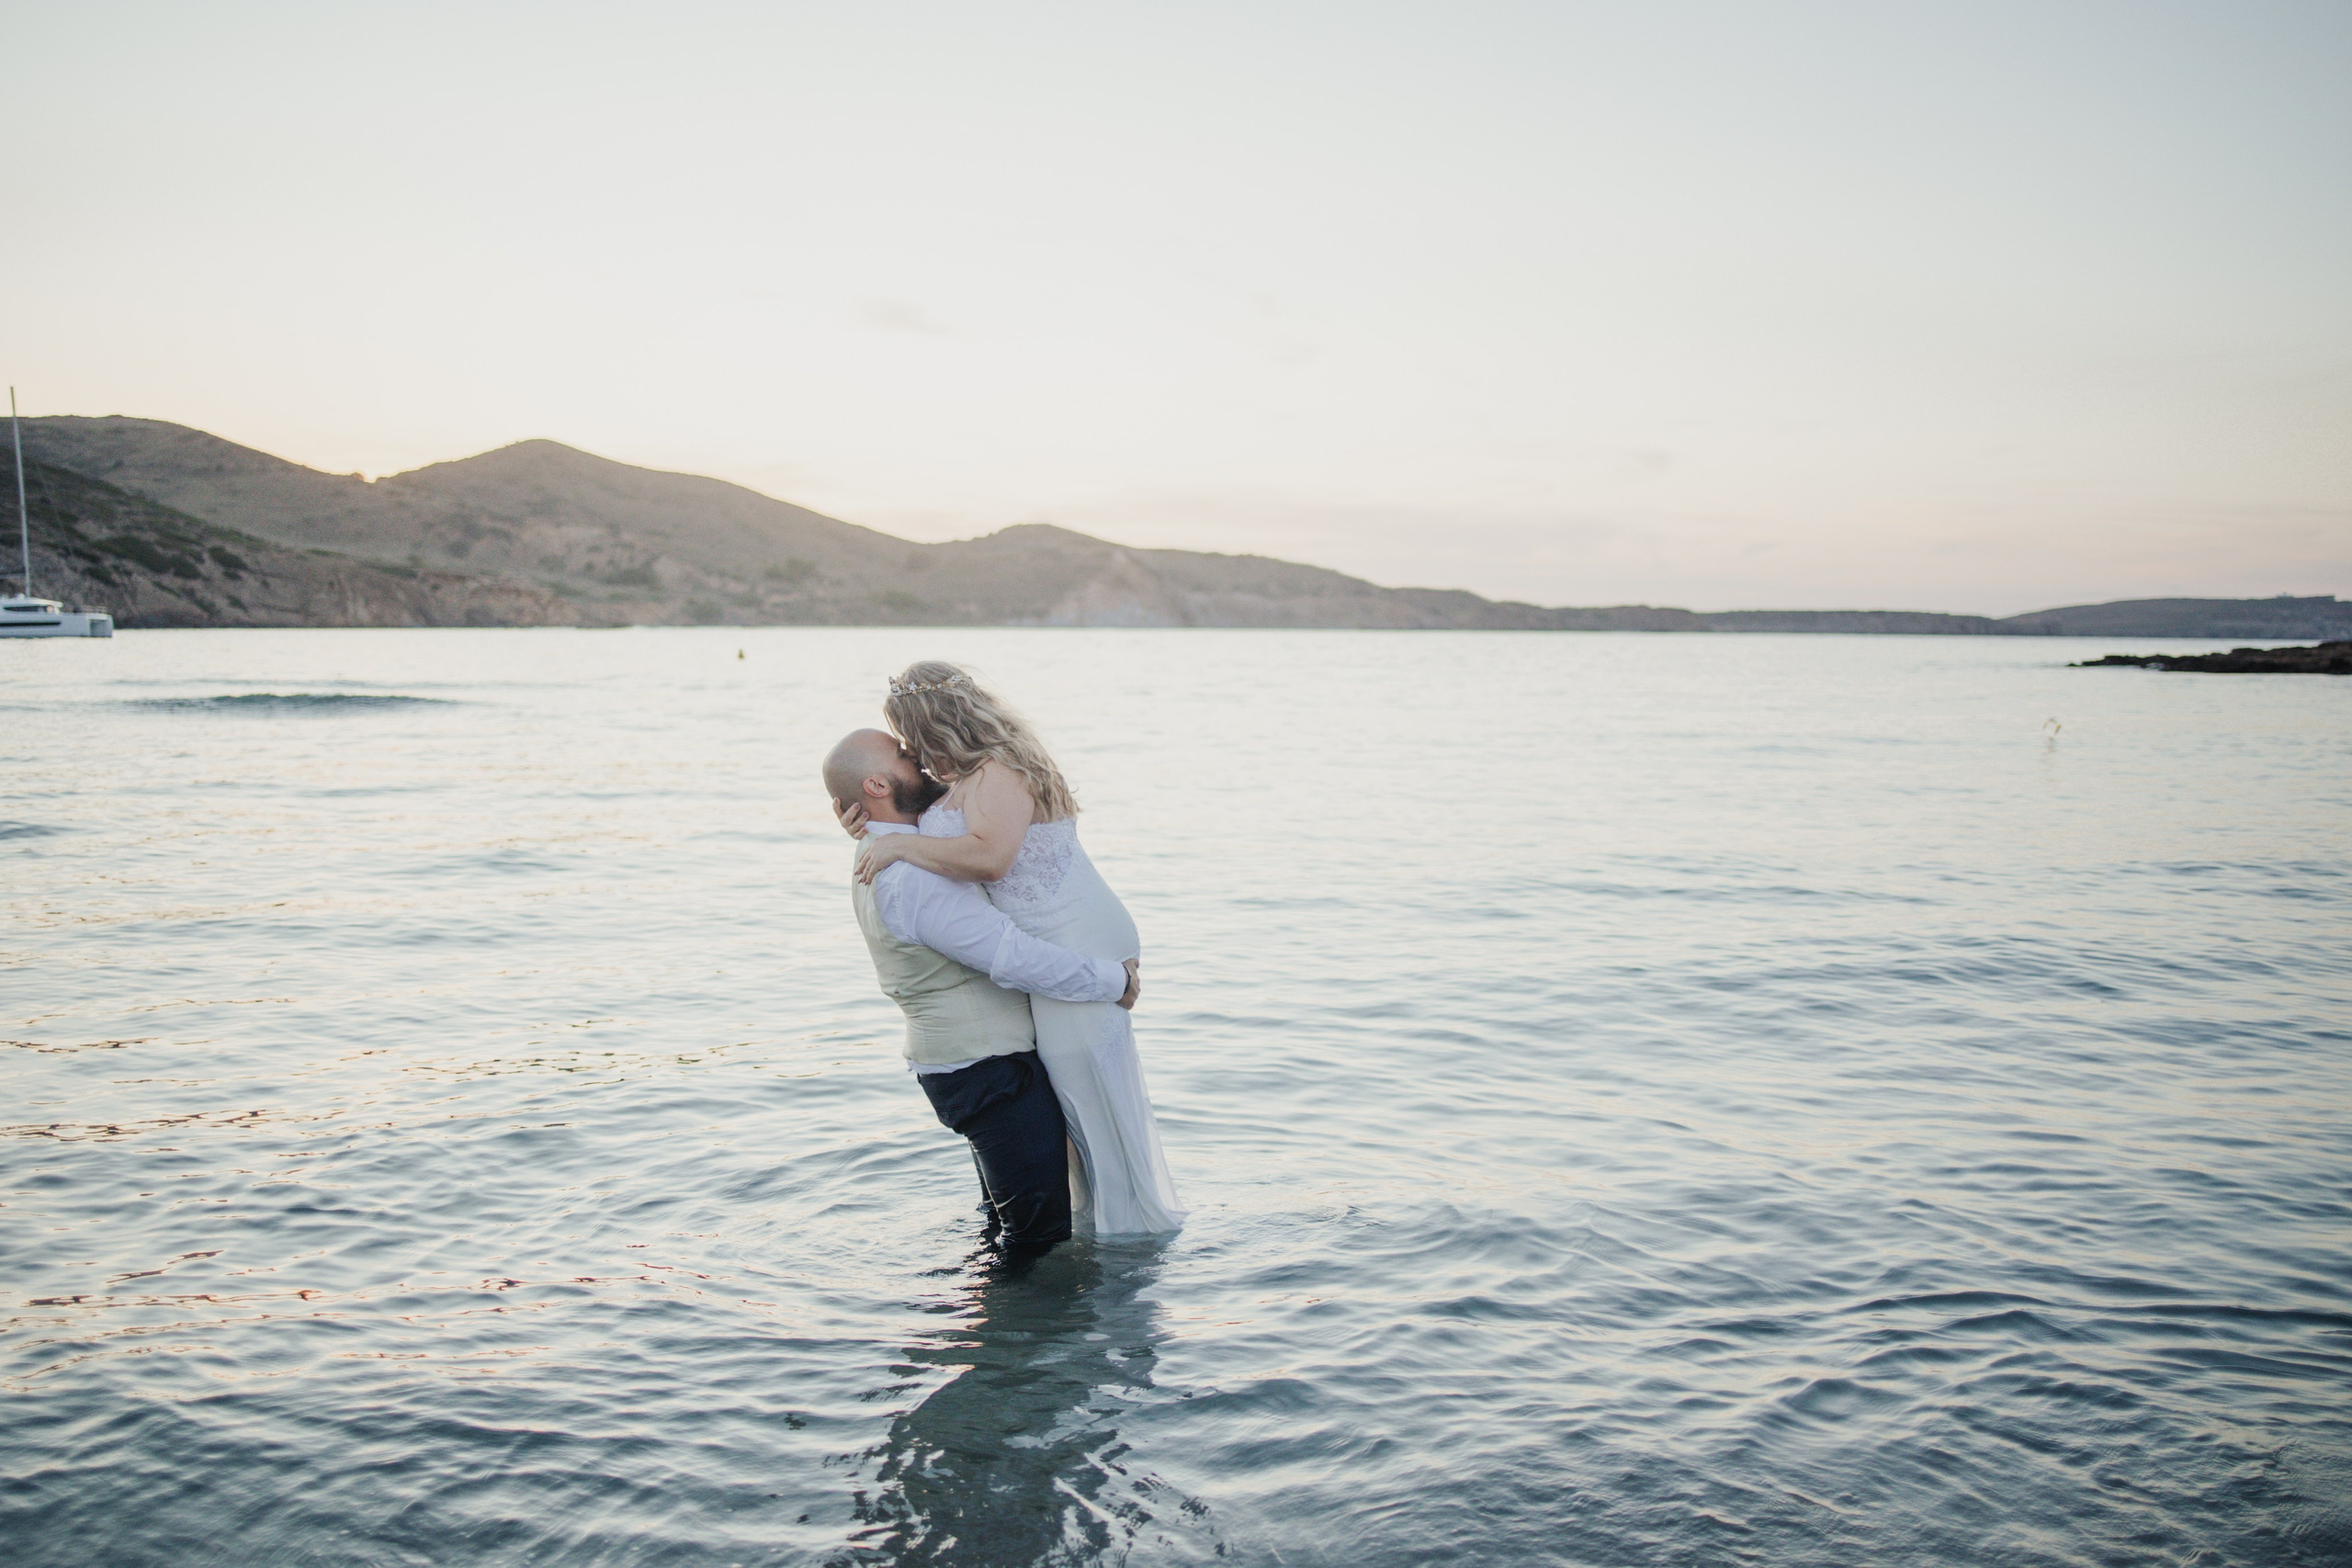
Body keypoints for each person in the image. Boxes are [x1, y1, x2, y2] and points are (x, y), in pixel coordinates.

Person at [840, 662, 1186, 1235]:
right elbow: (934, 833)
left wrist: (897, 840)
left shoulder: (1002, 770)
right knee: (1072, 1104)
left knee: (1090, 1098)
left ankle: (1126, 1233)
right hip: (1049, 940)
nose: (913, 754)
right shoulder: (966, 780)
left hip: (1073, 934)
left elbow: (990, 858)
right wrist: (872, 827)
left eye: (908, 738)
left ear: (933, 725)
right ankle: (1089, 1232)